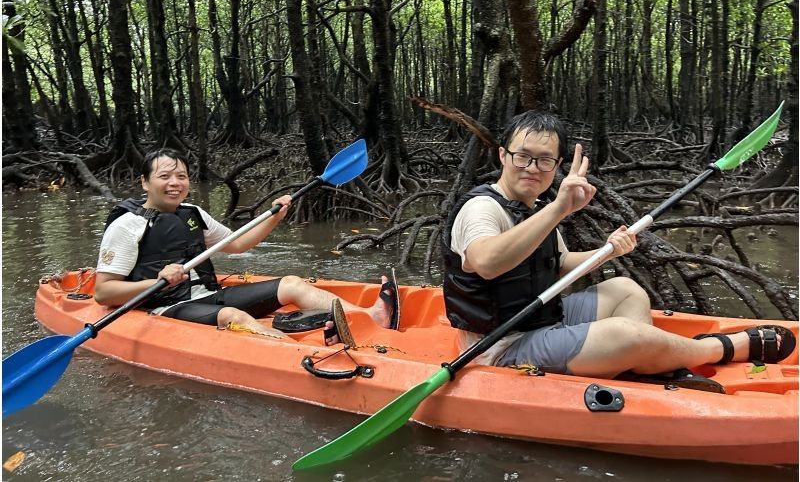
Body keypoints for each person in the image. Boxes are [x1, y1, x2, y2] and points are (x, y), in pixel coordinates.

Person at [442, 111, 795, 379]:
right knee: (627, 334)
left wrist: (608, 250)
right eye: (523, 156)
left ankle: (642, 361)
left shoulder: (533, 208)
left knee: (625, 288)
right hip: (500, 345)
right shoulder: (482, 208)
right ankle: (710, 348)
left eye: (545, 160)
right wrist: (557, 208)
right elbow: (486, 262)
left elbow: (561, 263)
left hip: (541, 318)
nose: (533, 168)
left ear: (557, 166)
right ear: (503, 156)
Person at [95, 148, 399, 339]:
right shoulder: (127, 226)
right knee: (231, 317)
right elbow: (104, 292)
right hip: (166, 307)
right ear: (145, 182)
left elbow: (238, 245)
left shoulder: (193, 214)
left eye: (182, 176)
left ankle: (368, 319)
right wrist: (157, 280)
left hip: (209, 296)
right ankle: (292, 356)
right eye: (165, 176)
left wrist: (274, 217)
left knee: (291, 284)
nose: (175, 183)